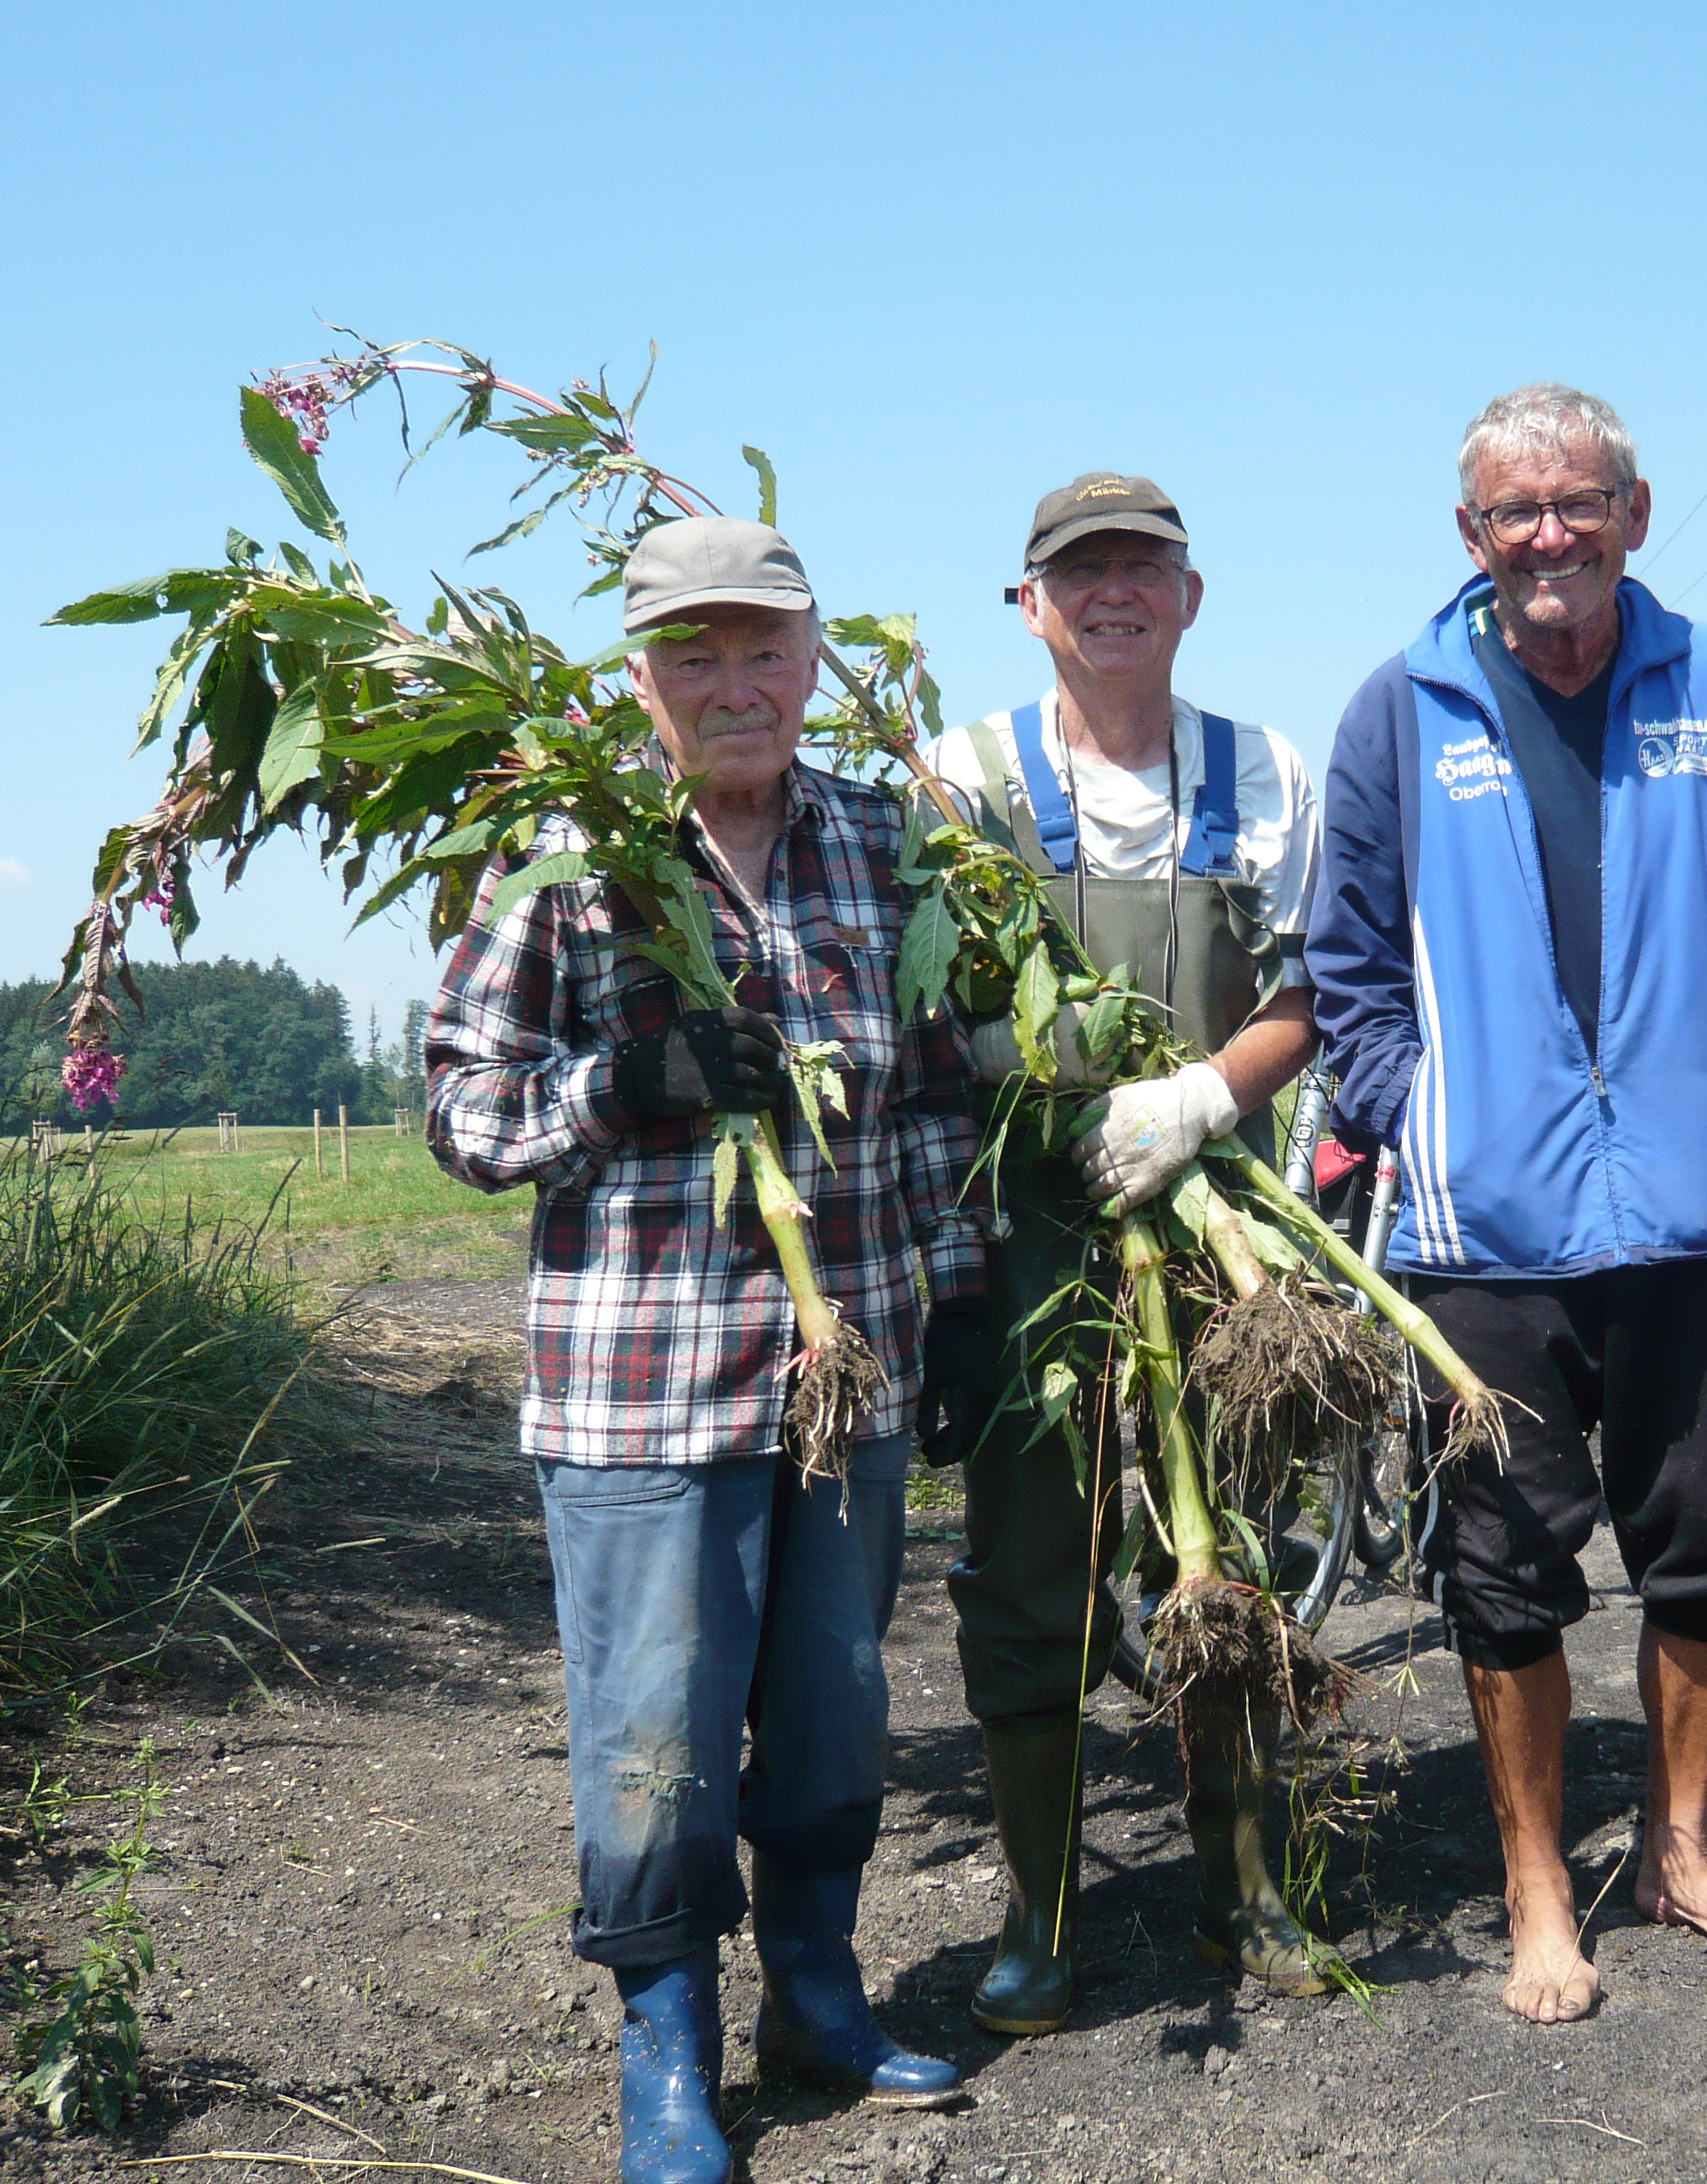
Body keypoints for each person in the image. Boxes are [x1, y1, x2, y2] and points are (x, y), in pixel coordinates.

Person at [427, 519, 979, 2184]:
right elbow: (458, 1112)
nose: (732, 686)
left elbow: (933, 1097)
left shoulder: (883, 844)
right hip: (639, 1391)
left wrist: (945, 1296)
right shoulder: (564, 859)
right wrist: (627, 1087)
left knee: (833, 1716)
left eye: (761, 651)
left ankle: (813, 1986)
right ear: (639, 677)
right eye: (693, 656)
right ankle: (661, 2036)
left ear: (815, 661)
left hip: (843, 1379)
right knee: (657, 1735)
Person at [1308, 385, 1707, 2025]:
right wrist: (1429, 1116)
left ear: (1634, 509)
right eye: (1512, 513)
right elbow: (1343, 969)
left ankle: (1680, 1852)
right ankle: (1537, 1879)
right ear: (1469, 538)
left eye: (1579, 502)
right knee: (1502, 1561)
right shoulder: (1398, 709)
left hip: (1703, 1213)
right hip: (1487, 1238)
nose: (1548, 535)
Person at [917, 473, 1326, 2032]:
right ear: (1031, 605)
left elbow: (1316, 983)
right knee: (1028, 1576)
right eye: (1077, 573)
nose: (1111, 594)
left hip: (1221, 1236)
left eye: (1141, 568)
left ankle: (1245, 1882)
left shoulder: (1263, 771)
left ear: (1190, 595)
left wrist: (1204, 1096)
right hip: (1032, 1247)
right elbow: (928, 1002)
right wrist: (1039, 1085)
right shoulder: (961, 779)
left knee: (1226, 1551)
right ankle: (1038, 1912)